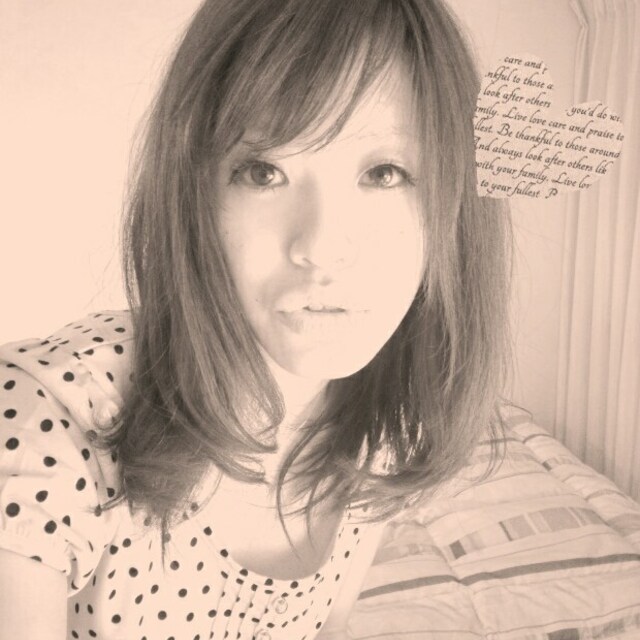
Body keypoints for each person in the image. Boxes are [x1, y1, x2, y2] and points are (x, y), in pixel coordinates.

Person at [0, 0, 512, 638]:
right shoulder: (45, 422)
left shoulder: (384, 431)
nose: (321, 247)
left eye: (385, 173)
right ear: (196, 196)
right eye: (264, 172)